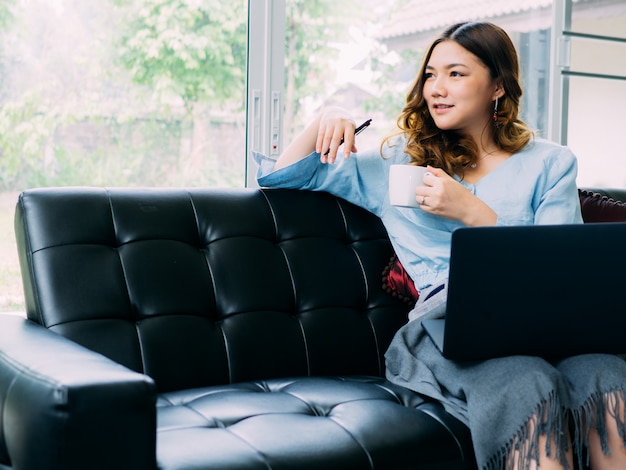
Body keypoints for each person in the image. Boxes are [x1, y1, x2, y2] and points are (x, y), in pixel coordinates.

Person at [254, 21, 626, 470]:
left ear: (498, 87)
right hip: (448, 328)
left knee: (606, 375)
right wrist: (323, 121)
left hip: (545, 324)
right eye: (430, 74)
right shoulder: (400, 161)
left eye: (456, 73)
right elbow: (285, 176)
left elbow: (562, 267)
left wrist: (472, 213)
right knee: (527, 381)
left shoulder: (550, 163)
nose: (436, 88)